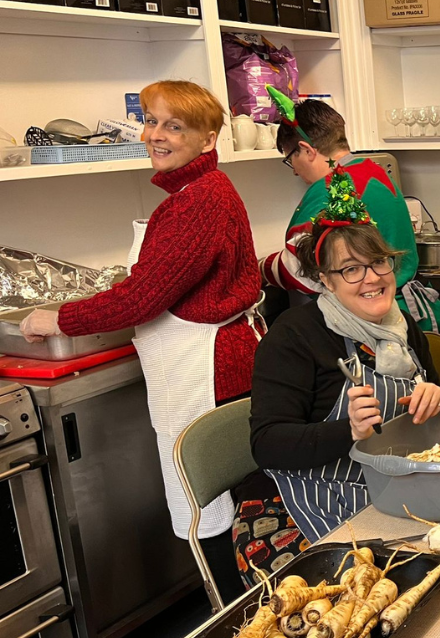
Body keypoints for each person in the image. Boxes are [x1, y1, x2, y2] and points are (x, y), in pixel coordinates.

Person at [19, 80, 261, 603]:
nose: (156, 134)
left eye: (175, 126)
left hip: (204, 371)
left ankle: (238, 619)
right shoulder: (196, 193)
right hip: (215, 361)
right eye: (151, 120)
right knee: (224, 499)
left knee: (211, 504)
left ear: (208, 138)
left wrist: (54, 319)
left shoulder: (198, 201)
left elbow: (139, 300)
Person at [241, 188, 440, 582]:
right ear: (325, 281)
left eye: (379, 264)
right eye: (351, 269)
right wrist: (347, 431)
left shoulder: (401, 330)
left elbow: (435, 399)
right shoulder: (294, 338)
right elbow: (266, 445)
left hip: (386, 491)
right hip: (299, 505)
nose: (372, 279)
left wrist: (436, 398)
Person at [259, 96, 440, 332]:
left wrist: (260, 268)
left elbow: (299, 268)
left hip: (371, 321)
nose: (294, 171)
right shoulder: (375, 170)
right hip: (406, 312)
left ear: (306, 150)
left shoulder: (333, 187)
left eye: (289, 159)